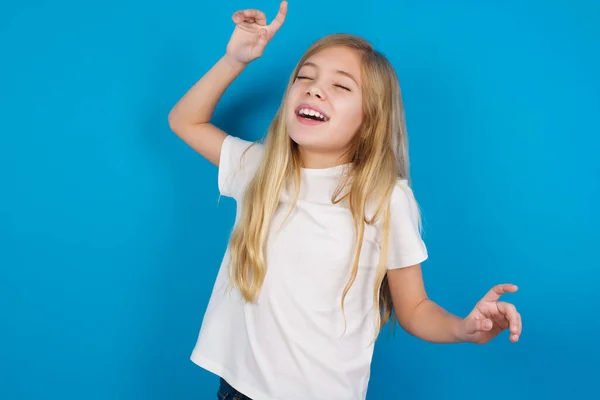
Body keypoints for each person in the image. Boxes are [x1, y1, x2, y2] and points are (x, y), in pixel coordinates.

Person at [168, 2, 522, 399]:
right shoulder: (259, 169)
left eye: (341, 86)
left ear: (369, 119)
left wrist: (465, 328)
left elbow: (415, 308)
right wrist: (235, 59)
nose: (314, 88)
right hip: (237, 389)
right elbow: (185, 120)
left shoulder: (385, 198)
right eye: (304, 77)